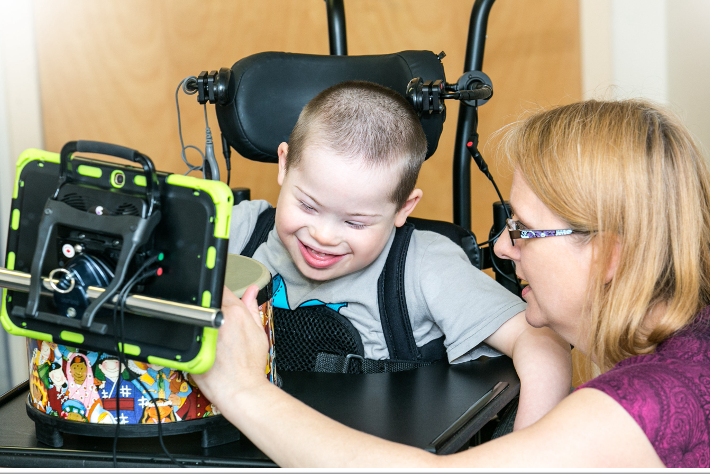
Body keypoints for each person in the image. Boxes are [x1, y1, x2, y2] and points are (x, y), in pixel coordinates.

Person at [194, 98, 710, 467]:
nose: (503, 249)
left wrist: (240, 387)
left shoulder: (637, 408)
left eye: (524, 230)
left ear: (610, 253)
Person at [225, 80, 572, 430]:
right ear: (283, 164)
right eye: (307, 206)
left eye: (355, 222)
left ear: (403, 208)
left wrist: (524, 449)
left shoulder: (425, 267)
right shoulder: (238, 231)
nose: (323, 236)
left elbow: (544, 342)